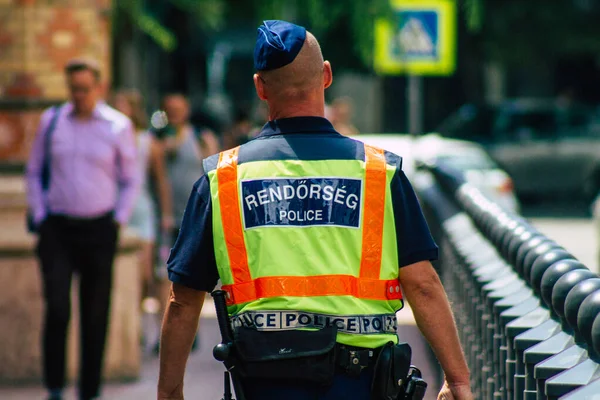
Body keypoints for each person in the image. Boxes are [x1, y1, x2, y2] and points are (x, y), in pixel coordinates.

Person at [157, 21, 472, 400]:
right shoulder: (379, 174)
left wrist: (170, 392)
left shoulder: (222, 178)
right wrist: (457, 380)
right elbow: (422, 283)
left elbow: (183, 300)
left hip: (264, 380)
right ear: (326, 76)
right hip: (363, 381)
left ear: (260, 87)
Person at [26, 58, 139, 400]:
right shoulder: (53, 121)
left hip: (99, 229)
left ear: (99, 88)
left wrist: (118, 219)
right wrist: (41, 213)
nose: (78, 95)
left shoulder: (118, 126)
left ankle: (89, 391)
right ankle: (56, 387)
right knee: (58, 308)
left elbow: (130, 179)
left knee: (94, 313)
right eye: (73, 88)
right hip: (57, 229)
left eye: (85, 89)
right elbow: (34, 171)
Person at [110, 89, 174, 347]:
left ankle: (146, 329)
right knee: (125, 275)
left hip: (142, 210)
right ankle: (131, 331)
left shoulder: (149, 143)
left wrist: (166, 214)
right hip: (115, 209)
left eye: (123, 106)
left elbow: (160, 182)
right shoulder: (110, 138)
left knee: (146, 275)